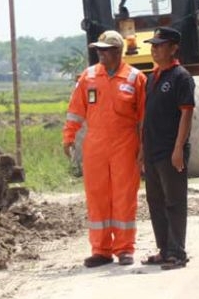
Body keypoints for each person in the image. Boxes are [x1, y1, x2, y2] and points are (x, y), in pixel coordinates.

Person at [62, 30, 147, 267]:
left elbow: (143, 118)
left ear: (118, 52)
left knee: (123, 197)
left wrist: (143, 148)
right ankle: (100, 250)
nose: (100, 53)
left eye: (105, 50)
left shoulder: (135, 78)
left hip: (125, 145)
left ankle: (124, 249)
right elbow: (76, 111)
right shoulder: (88, 77)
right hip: (96, 146)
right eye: (98, 49)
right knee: (97, 197)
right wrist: (68, 136)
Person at [140, 26, 194, 270]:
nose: (154, 49)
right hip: (152, 151)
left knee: (174, 202)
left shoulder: (181, 77)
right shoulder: (152, 78)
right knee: (156, 201)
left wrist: (178, 149)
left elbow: (186, 114)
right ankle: (164, 249)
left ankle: (177, 253)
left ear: (173, 48)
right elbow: (146, 117)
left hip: (170, 150)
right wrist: (142, 150)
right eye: (153, 45)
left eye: (160, 45)